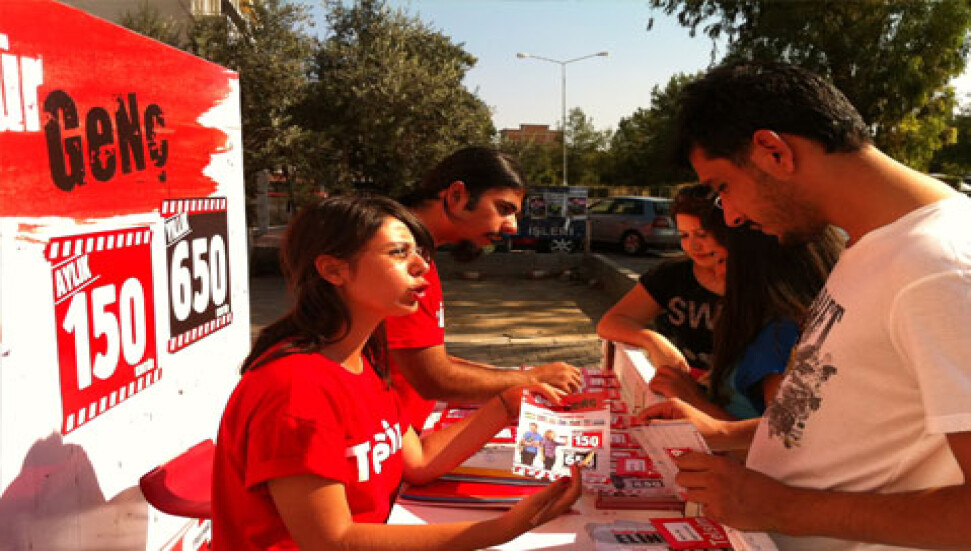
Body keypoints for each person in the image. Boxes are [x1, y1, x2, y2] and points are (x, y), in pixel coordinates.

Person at [644, 61, 971, 550]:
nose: (730, 216)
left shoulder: (939, 268)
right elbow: (839, 414)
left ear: (774, 151)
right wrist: (725, 432)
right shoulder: (873, 245)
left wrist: (780, 507)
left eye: (723, 188)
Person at [211, 196, 582, 551]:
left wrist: (506, 404)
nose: (422, 266)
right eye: (398, 253)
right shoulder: (296, 389)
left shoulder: (362, 358)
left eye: (419, 253)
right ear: (333, 270)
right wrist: (499, 530)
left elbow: (417, 462)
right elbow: (330, 541)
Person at [389, 146, 582, 431]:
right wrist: (532, 379)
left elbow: (420, 358)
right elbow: (432, 378)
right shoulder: (397, 256)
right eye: (503, 209)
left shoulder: (414, 249)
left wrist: (517, 377)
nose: (512, 227)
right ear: (456, 196)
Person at [656, 224, 844, 420]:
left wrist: (693, 399)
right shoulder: (769, 322)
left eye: (722, 260)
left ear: (761, 266)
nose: (716, 271)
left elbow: (780, 444)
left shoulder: (781, 336)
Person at [597, 184, 727, 380]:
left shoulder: (764, 281)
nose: (693, 246)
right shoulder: (671, 275)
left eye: (702, 234)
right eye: (684, 235)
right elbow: (610, 323)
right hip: (675, 390)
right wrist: (651, 339)